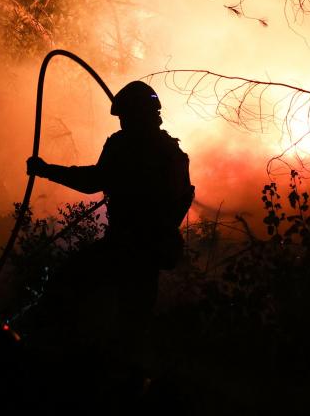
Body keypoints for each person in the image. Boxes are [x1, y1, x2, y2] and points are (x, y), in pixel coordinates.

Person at [25, 81, 194, 383]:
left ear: (135, 114)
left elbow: (93, 181)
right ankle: (126, 382)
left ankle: (60, 364)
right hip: (151, 254)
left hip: (125, 248)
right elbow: (183, 199)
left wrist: (46, 169)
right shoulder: (173, 152)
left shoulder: (126, 146)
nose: (122, 123)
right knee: (133, 325)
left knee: (67, 286)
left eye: (125, 116)